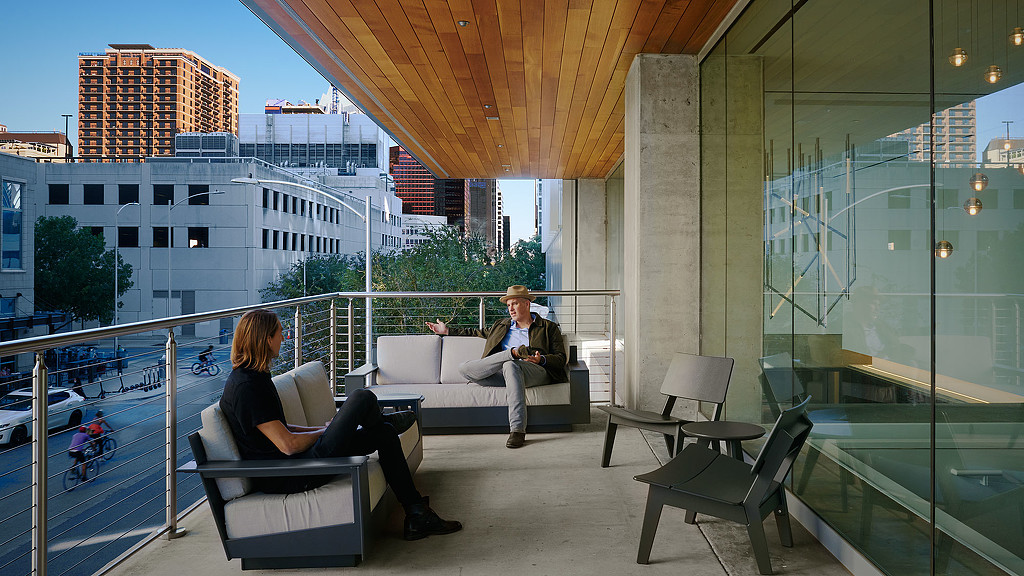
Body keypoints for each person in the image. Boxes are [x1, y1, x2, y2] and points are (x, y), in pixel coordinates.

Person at [220, 309, 461, 541]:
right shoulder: (246, 388)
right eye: (280, 332)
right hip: (290, 473)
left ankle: (417, 513)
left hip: (298, 461)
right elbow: (288, 445)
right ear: (265, 338)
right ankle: (382, 420)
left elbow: (284, 428)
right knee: (361, 397)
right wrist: (329, 431)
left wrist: (326, 429)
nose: (284, 337)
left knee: (385, 434)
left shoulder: (256, 377)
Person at [426, 285, 567, 449]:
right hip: (505, 373)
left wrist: (541, 359)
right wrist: (447, 330)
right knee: (464, 368)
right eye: (508, 305)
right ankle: (513, 353)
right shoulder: (501, 326)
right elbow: (475, 333)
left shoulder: (548, 327)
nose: (510, 309)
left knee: (510, 366)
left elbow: (560, 358)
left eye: (514, 304)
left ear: (527, 304)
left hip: (535, 371)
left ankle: (517, 430)